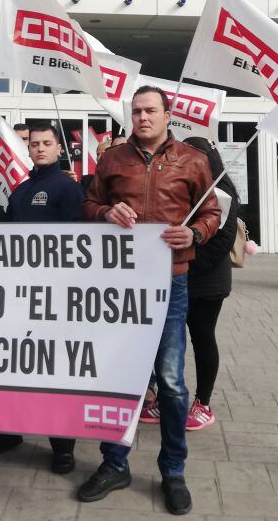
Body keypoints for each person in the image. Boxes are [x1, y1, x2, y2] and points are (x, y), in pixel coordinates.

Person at [79, 86, 221, 516]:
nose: (142, 117)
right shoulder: (112, 158)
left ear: (167, 114)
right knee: (120, 375)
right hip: (119, 283)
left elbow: (212, 211)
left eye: (150, 111)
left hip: (171, 281)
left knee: (172, 381)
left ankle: (173, 470)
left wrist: (195, 233)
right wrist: (106, 214)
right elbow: (89, 202)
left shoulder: (193, 160)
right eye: (136, 111)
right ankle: (114, 462)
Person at [0, 122, 83, 474]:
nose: (39, 149)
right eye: (34, 144)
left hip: (53, 297)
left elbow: (80, 242)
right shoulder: (22, 188)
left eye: (46, 143)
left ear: (58, 148)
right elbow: (9, 231)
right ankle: (4, 433)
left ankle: (63, 446)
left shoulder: (67, 189)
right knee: (8, 366)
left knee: (53, 374)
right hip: (17, 293)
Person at [180, 137, 238, 432]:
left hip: (207, 283)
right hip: (179, 279)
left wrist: (184, 265)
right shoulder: (183, 186)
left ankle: (203, 402)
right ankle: (166, 397)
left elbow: (221, 244)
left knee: (202, 338)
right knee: (170, 341)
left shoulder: (223, 192)